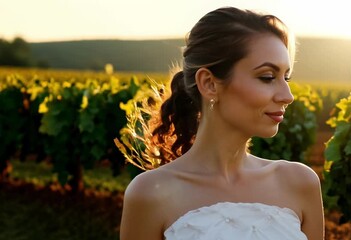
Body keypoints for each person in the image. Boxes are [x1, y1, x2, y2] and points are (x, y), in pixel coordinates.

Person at [120, 6, 324, 240]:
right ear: (209, 83)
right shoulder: (149, 194)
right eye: (267, 77)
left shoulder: (300, 183)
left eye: (285, 77)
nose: (287, 95)